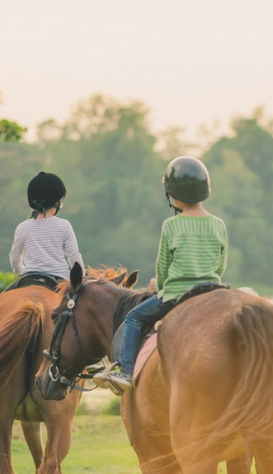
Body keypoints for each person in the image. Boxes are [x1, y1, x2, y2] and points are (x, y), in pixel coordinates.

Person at [96, 156, 228, 392]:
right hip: (212, 294)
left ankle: (125, 371)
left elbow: (163, 267)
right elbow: (220, 266)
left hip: (178, 295)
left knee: (134, 318)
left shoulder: (171, 225)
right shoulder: (218, 224)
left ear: (172, 194)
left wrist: (159, 285)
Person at [9, 171, 84, 281]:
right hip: (59, 280)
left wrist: (22, 271)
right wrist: (82, 276)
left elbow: (15, 259)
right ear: (58, 202)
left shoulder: (22, 227)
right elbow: (74, 259)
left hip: (29, 279)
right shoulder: (64, 225)